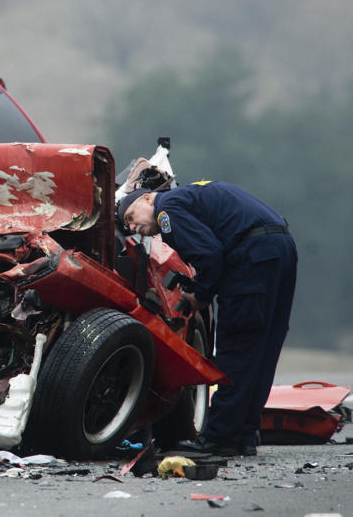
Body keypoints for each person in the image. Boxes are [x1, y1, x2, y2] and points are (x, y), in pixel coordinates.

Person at [117, 181, 297, 457]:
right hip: (280, 247)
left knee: (236, 347)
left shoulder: (166, 209)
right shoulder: (190, 198)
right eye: (126, 225)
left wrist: (199, 294)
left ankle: (219, 438)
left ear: (149, 200)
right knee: (262, 349)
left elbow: (209, 254)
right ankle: (244, 435)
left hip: (252, 255)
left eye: (130, 217)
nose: (130, 228)